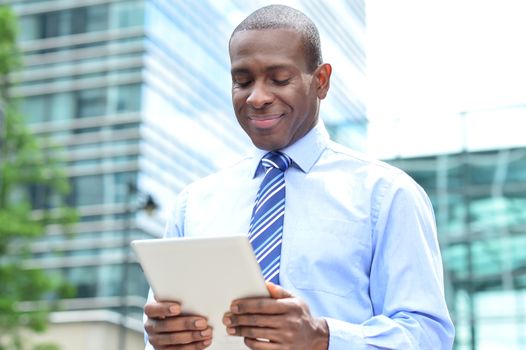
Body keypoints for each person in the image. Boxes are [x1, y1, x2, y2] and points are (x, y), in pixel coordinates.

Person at [143, 4, 455, 350]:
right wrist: (162, 336)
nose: (257, 97)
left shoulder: (386, 194)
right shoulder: (193, 204)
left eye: (279, 79)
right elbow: (155, 333)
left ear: (320, 81)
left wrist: (323, 337)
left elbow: (428, 336)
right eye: (242, 81)